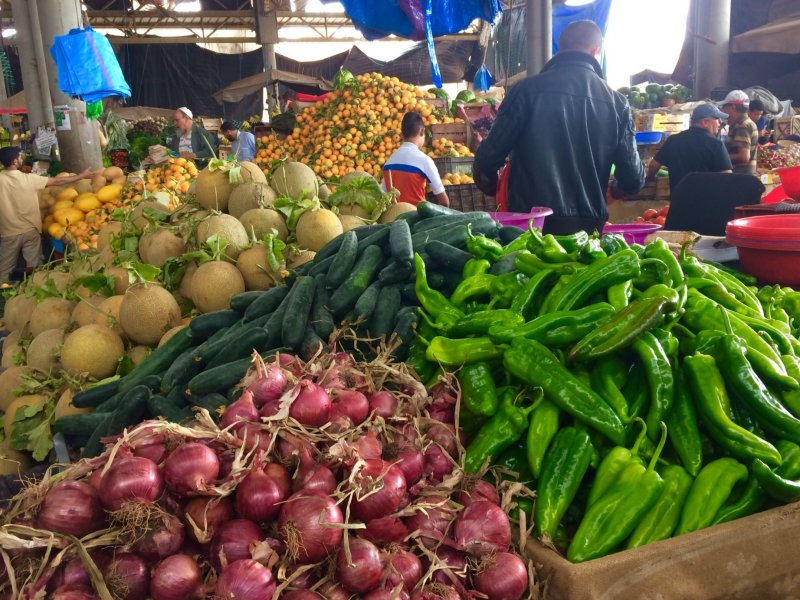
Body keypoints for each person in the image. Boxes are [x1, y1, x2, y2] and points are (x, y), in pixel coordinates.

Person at [473, 20, 644, 234]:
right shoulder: (617, 103)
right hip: (587, 231)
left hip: (530, 227)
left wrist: (493, 187)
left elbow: (486, 161)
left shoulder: (525, 91)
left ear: (560, 48)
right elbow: (633, 179)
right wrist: (615, 191)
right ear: (596, 51)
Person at [0, 147, 95, 283]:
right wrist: (81, 176)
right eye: (19, 157)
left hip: (8, 232)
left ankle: (4, 293)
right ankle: (34, 289)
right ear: (14, 161)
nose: (21, 159)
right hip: (30, 229)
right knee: (35, 266)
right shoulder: (29, 179)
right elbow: (58, 181)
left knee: (5, 268)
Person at [645, 103, 732, 193]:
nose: (720, 122)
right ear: (705, 122)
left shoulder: (673, 140)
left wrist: (650, 178)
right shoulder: (716, 144)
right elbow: (727, 177)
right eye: (717, 119)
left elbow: (653, 165)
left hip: (679, 202)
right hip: (707, 203)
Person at [382, 112, 449, 207]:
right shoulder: (424, 161)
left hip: (394, 219)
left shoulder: (388, 162)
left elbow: (382, 195)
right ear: (422, 131)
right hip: (417, 219)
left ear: (402, 135)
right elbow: (444, 202)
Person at [721, 90, 759, 175]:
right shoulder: (744, 123)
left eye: (724, 107)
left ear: (733, 107)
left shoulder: (742, 125)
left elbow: (744, 157)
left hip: (740, 177)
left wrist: (720, 157)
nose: (723, 110)